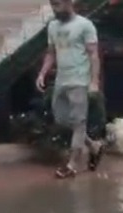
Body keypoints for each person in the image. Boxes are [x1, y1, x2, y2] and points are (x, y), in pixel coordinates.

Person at [36, 0, 103, 178]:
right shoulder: (52, 26)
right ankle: (93, 146)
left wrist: (94, 81)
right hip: (61, 80)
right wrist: (42, 73)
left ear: (69, 2)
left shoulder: (84, 25)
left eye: (57, 4)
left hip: (79, 80)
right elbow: (51, 52)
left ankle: (72, 164)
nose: (54, 8)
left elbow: (93, 55)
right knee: (62, 120)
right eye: (52, 5)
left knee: (79, 122)